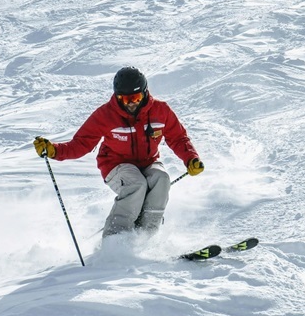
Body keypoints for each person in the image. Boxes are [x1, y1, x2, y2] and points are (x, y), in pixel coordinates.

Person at [34, 66, 204, 237]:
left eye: (135, 98)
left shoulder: (161, 111)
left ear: (145, 93)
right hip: (115, 165)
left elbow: (178, 138)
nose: (130, 103)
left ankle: (146, 236)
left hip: (148, 162)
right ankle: (114, 238)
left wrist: (191, 158)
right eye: (124, 99)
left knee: (162, 179)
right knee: (136, 185)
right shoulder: (105, 115)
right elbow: (81, 143)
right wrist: (54, 151)